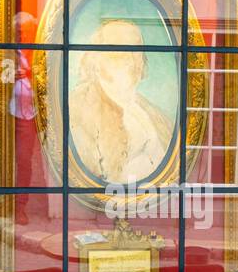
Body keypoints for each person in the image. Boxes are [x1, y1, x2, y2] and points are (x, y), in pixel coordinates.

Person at [68, 19, 175, 184]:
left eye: (137, 50)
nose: (131, 60)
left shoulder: (149, 110)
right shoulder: (78, 108)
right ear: (96, 60)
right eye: (120, 50)